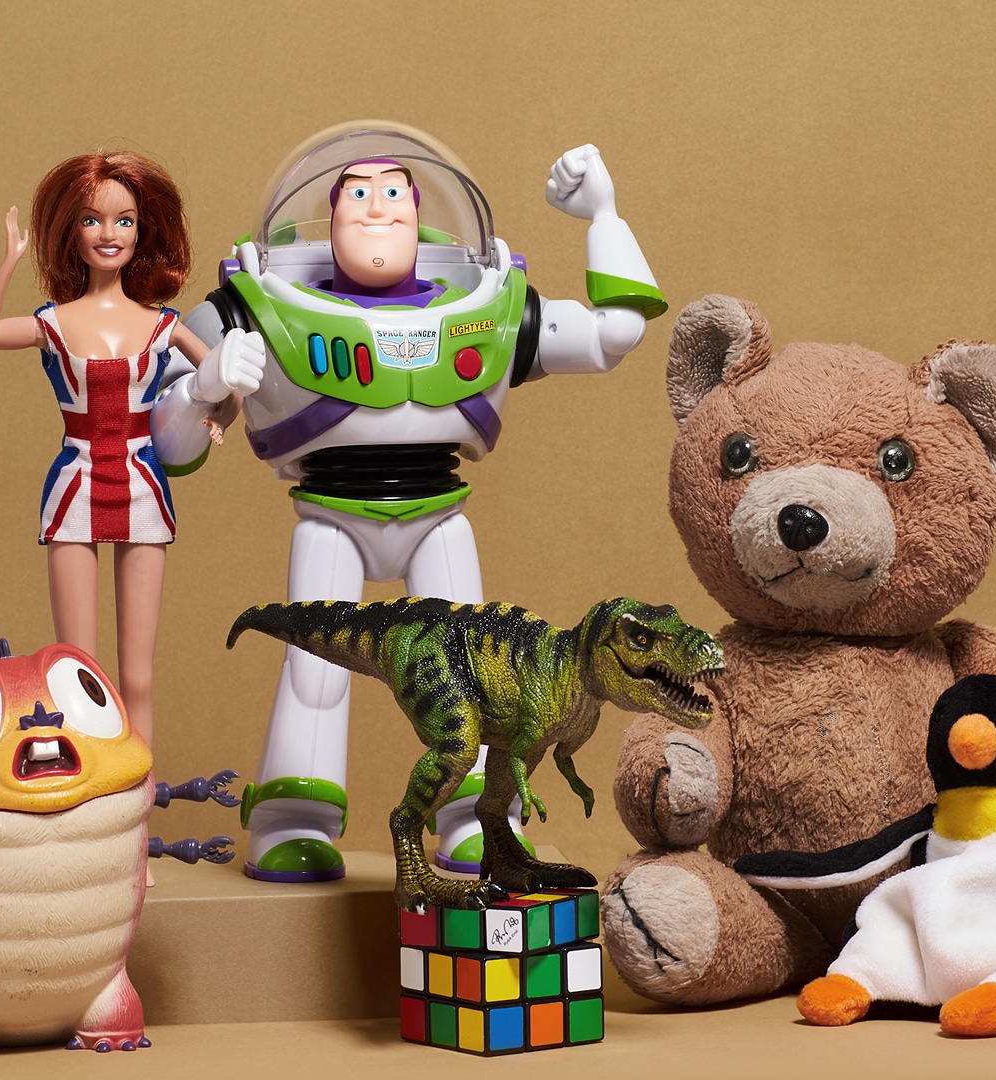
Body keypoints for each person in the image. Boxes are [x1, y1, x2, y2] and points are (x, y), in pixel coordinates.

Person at [152, 123, 664, 882]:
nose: (376, 207)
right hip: (330, 516)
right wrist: (204, 382)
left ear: (420, 218)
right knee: (314, 670)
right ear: (329, 218)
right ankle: (295, 818)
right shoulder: (251, 309)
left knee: (483, 672)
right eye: (357, 193)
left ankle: (479, 819)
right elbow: (167, 444)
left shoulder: (486, 305)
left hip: (438, 518)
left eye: (394, 192)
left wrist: (604, 216)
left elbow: (613, 334)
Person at [0, 151, 266, 746]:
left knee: (138, 678)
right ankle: (88, 791)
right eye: (92, 220)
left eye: (124, 221)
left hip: (143, 488)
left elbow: (229, 383)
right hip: (74, 489)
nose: (109, 234)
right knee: (76, 672)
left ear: (142, 231)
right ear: (71, 232)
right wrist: (8, 262)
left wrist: (219, 419)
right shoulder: (53, 324)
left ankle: (139, 796)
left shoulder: (163, 326)